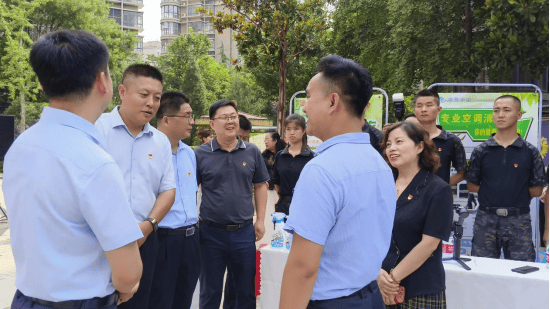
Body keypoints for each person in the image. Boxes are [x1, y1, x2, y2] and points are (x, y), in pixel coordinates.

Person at [3, 30, 143, 309]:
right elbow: (127, 274)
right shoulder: (94, 162)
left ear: (43, 85)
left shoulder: (21, 146)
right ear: (102, 81)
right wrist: (128, 286)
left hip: (25, 300)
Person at [280, 55, 395, 308]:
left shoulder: (322, 170)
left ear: (333, 102)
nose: (304, 107)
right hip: (370, 297)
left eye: (309, 96)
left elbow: (303, 268)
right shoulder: (379, 164)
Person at [95, 64, 176, 309]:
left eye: (157, 97)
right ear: (121, 91)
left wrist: (148, 225)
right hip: (100, 242)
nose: (151, 103)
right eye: (144, 95)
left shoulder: (160, 141)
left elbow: (168, 190)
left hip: (144, 239)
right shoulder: (96, 129)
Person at [195, 100, 270, 309]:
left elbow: (261, 186)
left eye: (233, 116)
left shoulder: (252, 151)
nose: (230, 121)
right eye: (224, 117)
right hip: (210, 233)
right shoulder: (200, 154)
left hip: (244, 233)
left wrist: (261, 220)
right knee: (210, 292)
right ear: (212, 124)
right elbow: (190, 190)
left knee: (244, 293)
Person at [376, 122, 454, 307]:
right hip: (379, 284)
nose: (392, 148)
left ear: (419, 146)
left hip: (420, 288)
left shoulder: (437, 189)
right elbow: (367, 234)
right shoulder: (381, 185)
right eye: (388, 145)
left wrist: (392, 280)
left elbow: (429, 244)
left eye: (399, 142)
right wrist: (377, 274)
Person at [467, 95, 547, 261]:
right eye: (496, 111)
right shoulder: (481, 151)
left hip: (519, 220)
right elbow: (472, 186)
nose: (500, 115)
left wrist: (512, 193)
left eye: (506, 110)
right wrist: (495, 192)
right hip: (486, 220)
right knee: (482, 271)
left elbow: (537, 190)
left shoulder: (530, 152)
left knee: (522, 272)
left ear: (519, 115)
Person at [149, 91, 200, 309]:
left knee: (184, 301)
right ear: (167, 119)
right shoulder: (148, 151)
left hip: (191, 240)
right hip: (163, 239)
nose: (192, 122)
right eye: (187, 116)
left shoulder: (189, 153)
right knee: (160, 301)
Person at [412, 89, 467, 185]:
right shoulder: (408, 138)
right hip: (410, 197)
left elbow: (462, 172)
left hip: (439, 198)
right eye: (419, 106)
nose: (424, 109)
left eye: (429, 105)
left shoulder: (451, 140)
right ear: (414, 111)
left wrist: (442, 187)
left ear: (439, 110)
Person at [272, 114, 315, 215]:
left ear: (304, 130)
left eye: (296, 129)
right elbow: (276, 182)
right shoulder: (280, 156)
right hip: (283, 207)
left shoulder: (311, 157)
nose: (292, 132)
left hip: (305, 206)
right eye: (288, 129)